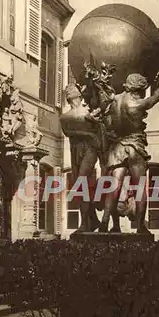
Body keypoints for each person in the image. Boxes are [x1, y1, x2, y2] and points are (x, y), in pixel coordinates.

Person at [99, 64, 159, 234]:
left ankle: (104, 222)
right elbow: (157, 96)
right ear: (138, 89)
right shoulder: (138, 105)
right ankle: (140, 227)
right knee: (140, 187)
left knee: (114, 187)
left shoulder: (115, 100)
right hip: (135, 147)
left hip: (117, 148)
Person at [60, 84, 102, 233]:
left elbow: (99, 129)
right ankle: (92, 219)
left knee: (81, 183)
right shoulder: (64, 117)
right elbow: (67, 132)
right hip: (75, 151)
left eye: (74, 91)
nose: (70, 92)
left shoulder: (88, 111)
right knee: (82, 187)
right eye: (68, 92)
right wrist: (87, 133)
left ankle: (85, 223)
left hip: (89, 149)